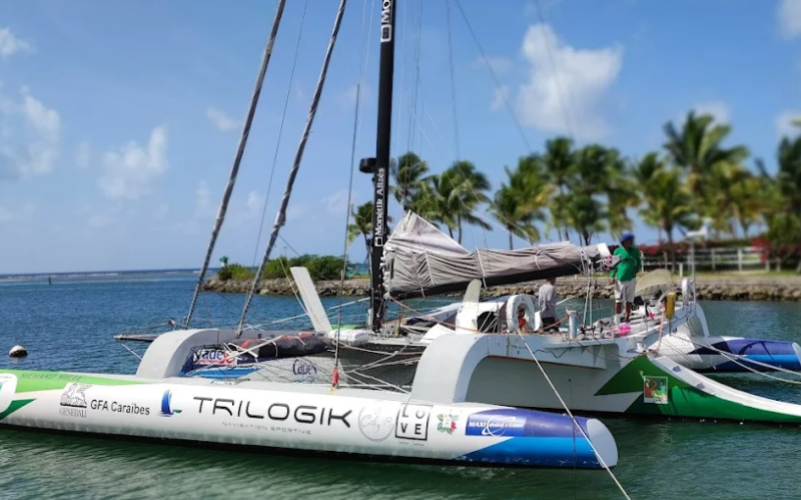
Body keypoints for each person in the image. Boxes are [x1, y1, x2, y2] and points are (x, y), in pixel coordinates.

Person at [610, 232, 641, 324]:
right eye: (629, 241)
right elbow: (613, 265)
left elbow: (638, 260)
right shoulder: (617, 251)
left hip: (632, 278)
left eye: (631, 241)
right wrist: (612, 276)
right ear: (624, 242)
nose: (631, 242)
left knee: (629, 300)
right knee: (618, 300)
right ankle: (617, 319)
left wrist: (638, 267)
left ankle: (627, 317)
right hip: (620, 280)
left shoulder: (634, 251)